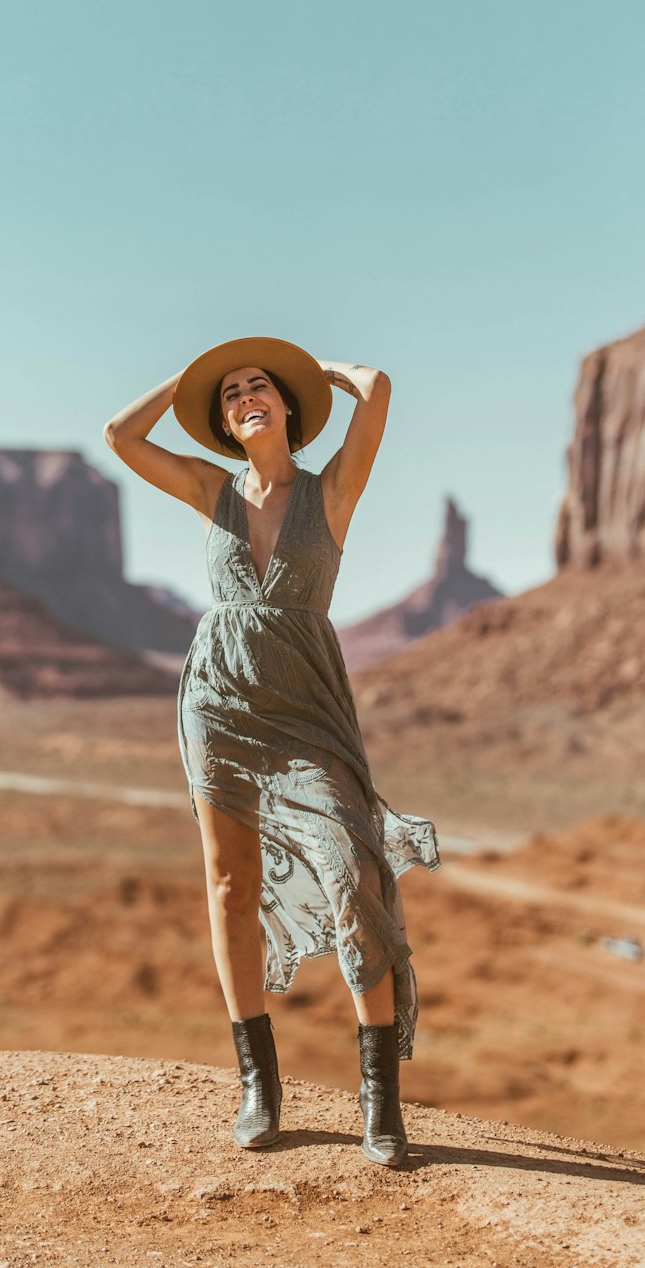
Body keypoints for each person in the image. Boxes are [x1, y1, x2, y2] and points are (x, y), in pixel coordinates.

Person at [104, 336, 439, 1166]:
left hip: (306, 706)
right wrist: (188, 377)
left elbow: (379, 388)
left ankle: (379, 1098)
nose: (246, 397)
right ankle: (259, 1082)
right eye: (231, 395)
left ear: (287, 409)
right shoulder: (210, 489)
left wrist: (316, 369)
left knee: (353, 872)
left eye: (260, 388)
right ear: (223, 422)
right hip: (217, 700)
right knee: (230, 882)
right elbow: (120, 435)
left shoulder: (331, 489)